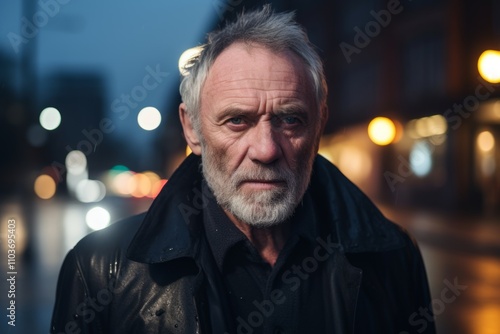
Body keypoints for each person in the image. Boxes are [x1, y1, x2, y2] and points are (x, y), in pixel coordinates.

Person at [51, 6, 435, 334]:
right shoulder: (102, 270)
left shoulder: (392, 256)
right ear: (192, 129)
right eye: (237, 120)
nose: (266, 150)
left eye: (290, 120)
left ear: (319, 126)